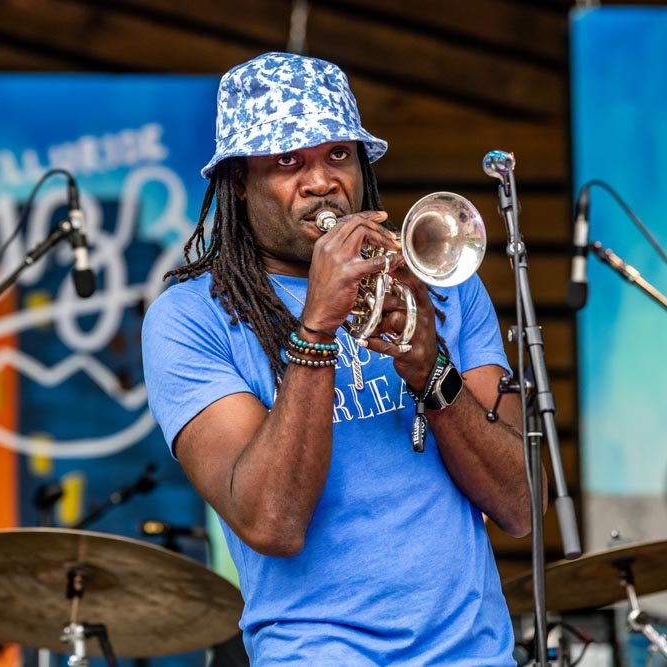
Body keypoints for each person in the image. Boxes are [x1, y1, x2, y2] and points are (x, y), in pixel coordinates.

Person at [142, 52, 540, 665]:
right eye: (286, 162)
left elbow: (520, 506)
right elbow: (273, 523)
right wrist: (317, 328)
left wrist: (430, 371)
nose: (321, 181)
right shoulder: (188, 319)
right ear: (239, 181)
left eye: (336, 155)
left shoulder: (442, 282)